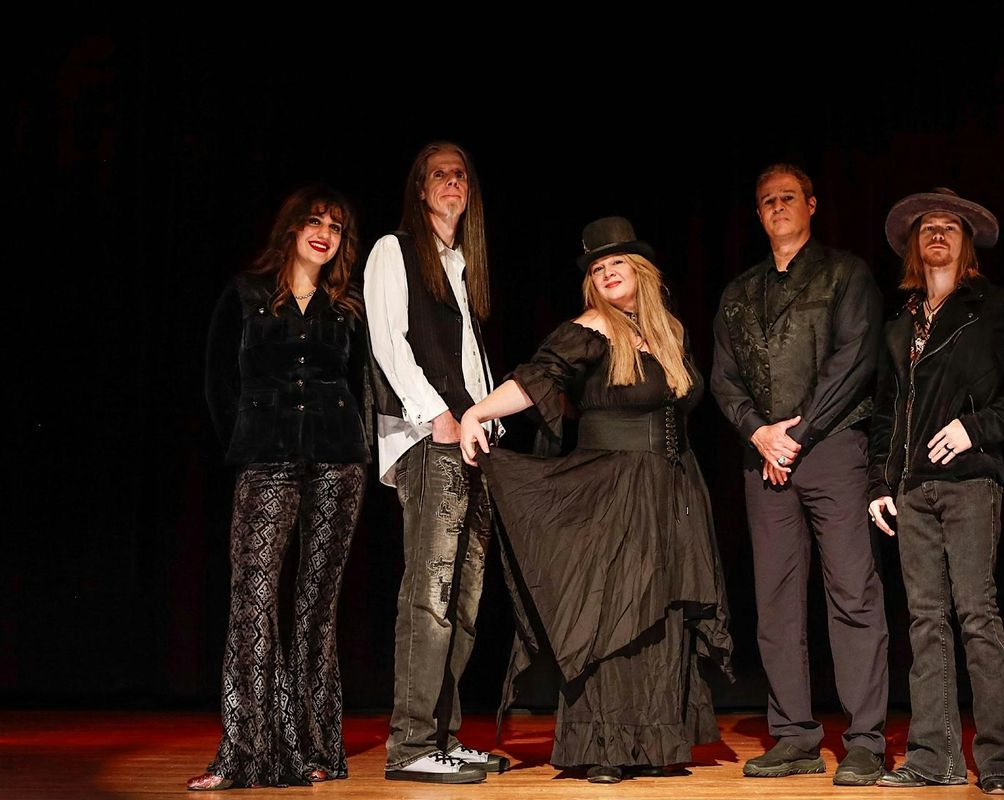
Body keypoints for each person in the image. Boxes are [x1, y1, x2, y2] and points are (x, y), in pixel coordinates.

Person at [460, 217, 732, 785]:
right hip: (612, 486)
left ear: (641, 271)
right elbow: (536, 378)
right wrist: (477, 412)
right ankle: (605, 745)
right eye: (598, 267)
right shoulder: (588, 329)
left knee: (663, 613)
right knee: (615, 612)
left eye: (617, 263)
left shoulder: (668, 332)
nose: (607, 273)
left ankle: (656, 742)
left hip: (673, 486)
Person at [710, 164, 889, 785]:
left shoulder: (845, 274)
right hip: (764, 458)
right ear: (758, 214)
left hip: (832, 448)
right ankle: (794, 736)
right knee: (776, 601)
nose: (778, 207)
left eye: (789, 197)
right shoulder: (739, 292)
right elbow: (723, 378)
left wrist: (797, 433)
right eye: (768, 201)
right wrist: (759, 433)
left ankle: (865, 740)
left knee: (852, 593)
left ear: (811, 205)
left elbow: (854, 360)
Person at [870, 189, 1004, 796]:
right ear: (914, 245)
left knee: (976, 613)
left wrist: (975, 427)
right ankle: (933, 757)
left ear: (966, 242)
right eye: (928, 227)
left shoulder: (993, 308)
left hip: (970, 481)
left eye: (950, 226)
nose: (938, 234)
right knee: (925, 622)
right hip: (912, 489)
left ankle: (999, 761)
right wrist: (880, 482)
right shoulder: (900, 323)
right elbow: (885, 412)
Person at [192, 185, 369, 790]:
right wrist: (245, 440)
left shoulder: (346, 306)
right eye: (315, 222)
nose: (325, 234)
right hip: (266, 459)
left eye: (336, 228)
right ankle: (244, 753)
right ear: (291, 228)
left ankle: (314, 748)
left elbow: (362, 383)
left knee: (316, 608)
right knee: (254, 600)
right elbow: (217, 381)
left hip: (337, 460)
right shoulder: (246, 293)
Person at [363, 141, 504, 784]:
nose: (452, 182)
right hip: (429, 438)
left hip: (469, 439)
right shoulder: (393, 250)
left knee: (465, 596)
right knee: (431, 590)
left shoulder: (461, 265)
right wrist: (436, 415)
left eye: (460, 174)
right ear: (420, 189)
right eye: (439, 174)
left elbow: (467, 355)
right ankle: (412, 744)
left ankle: (443, 736)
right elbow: (389, 343)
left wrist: (485, 418)